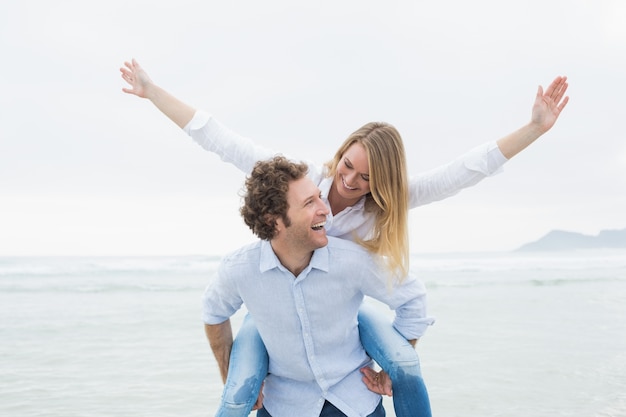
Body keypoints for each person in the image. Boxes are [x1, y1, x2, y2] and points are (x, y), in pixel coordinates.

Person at [120, 59, 569, 416]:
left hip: (341, 310)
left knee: (405, 365)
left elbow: (463, 172)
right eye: (347, 164)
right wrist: (152, 91)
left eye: (365, 176)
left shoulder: (380, 210)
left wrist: (534, 128)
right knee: (240, 388)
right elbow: (219, 139)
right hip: (276, 303)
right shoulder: (301, 180)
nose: (348, 180)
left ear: (383, 182)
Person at [203, 155, 431, 417]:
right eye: (309, 203)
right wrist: (229, 375)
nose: (325, 209)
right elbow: (213, 314)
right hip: (282, 406)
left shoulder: (352, 260)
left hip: (354, 401)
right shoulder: (240, 269)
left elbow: (412, 298)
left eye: (319, 197)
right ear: (273, 221)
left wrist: (390, 372)